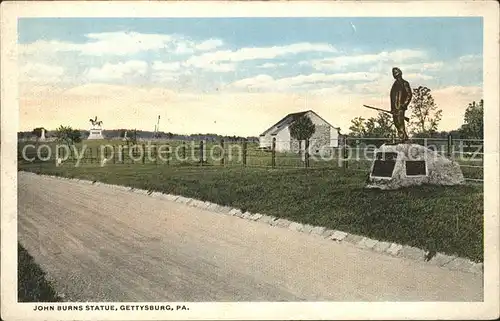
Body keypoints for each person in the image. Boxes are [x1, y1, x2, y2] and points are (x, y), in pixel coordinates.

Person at [390, 67, 412, 142]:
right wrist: (392, 108)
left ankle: (403, 138)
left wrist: (404, 105)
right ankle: (402, 138)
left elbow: (409, 94)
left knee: (400, 123)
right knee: (396, 123)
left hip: (400, 107)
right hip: (394, 108)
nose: (394, 74)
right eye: (393, 73)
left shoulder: (404, 83)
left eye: (396, 72)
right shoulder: (394, 85)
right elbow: (393, 98)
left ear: (400, 73)